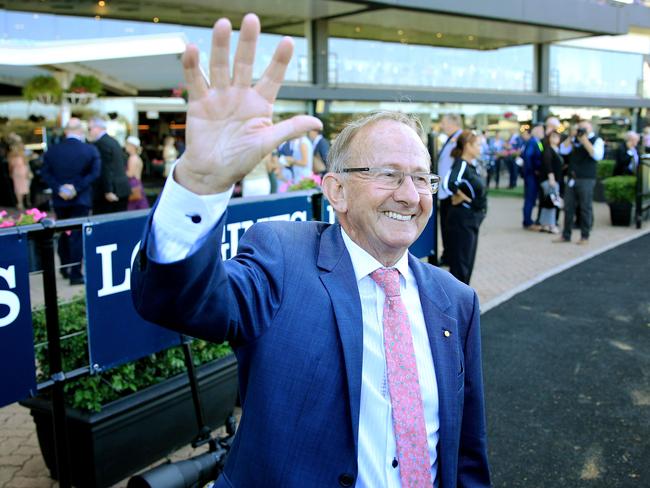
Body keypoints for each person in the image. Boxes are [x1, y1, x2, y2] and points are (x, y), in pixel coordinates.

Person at [131, 13, 490, 488]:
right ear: (335, 191)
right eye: (387, 174)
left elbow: (466, 455)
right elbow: (176, 300)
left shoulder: (455, 300)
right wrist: (199, 184)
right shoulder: (283, 258)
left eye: (422, 177)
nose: (410, 194)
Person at [41, 118, 101, 284]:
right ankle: (75, 272)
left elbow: (45, 173)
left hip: (61, 200)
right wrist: (75, 188)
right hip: (80, 199)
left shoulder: (52, 150)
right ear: (80, 131)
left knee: (62, 232)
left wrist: (60, 188)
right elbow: (94, 173)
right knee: (76, 235)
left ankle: (64, 268)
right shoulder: (90, 150)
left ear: (66, 131)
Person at [442, 131, 487, 285]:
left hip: (472, 219)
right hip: (463, 219)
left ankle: (464, 301)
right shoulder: (461, 163)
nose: (480, 148)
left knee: (467, 263)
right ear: (467, 146)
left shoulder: (472, 165)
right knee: (461, 264)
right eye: (477, 145)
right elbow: (449, 183)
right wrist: (464, 198)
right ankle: (458, 304)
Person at [555, 120, 604, 245]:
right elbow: (563, 150)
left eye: (584, 128)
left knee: (585, 208)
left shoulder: (597, 140)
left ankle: (585, 236)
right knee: (568, 207)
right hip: (572, 178)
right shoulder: (574, 140)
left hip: (586, 179)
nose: (581, 131)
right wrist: (571, 136)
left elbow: (597, 155)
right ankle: (566, 235)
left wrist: (584, 140)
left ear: (590, 129)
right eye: (580, 128)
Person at [435, 113, 463, 266]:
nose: (442, 125)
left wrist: (455, 190)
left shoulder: (460, 139)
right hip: (444, 191)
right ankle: (447, 255)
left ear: (454, 122)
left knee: (451, 227)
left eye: (444, 122)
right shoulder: (450, 139)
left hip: (450, 192)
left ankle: (451, 256)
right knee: (445, 227)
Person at [88, 117, 131, 214]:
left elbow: (106, 168)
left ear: (97, 128)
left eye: (89, 129)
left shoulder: (101, 143)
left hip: (111, 192)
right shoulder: (112, 141)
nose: (89, 132)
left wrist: (108, 190)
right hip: (120, 188)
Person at [521, 124, 544, 231]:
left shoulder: (537, 142)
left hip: (532, 174)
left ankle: (528, 220)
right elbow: (528, 157)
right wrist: (534, 170)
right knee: (530, 198)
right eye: (540, 130)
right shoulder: (533, 142)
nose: (542, 132)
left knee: (531, 198)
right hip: (531, 175)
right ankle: (527, 222)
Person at [125, 136, 150, 210]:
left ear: (132, 146)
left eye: (127, 144)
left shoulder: (132, 158)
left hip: (133, 184)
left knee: (133, 207)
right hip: (138, 184)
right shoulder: (137, 157)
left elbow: (130, 174)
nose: (125, 146)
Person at [8, 140, 31, 211]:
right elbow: (26, 163)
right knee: (24, 187)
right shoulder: (22, 154)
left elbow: (10, 166)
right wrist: (28, 172)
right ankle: (25, 202)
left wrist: (11, 173)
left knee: (18, 188)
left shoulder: (10, 154)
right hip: (23, 171)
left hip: (16, 172)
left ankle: (20, 203)